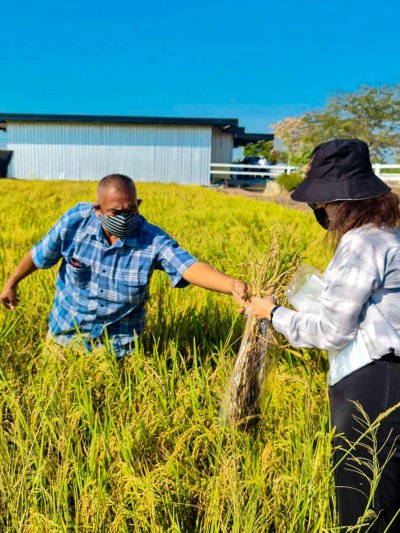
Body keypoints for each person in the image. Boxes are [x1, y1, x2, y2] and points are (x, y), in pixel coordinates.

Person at [235, 139, 400, 531]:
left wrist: (272, 313)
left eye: (321, 202)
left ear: (339, 201)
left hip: (374, 386)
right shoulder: (391, 237)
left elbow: (331, 332)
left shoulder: (360, 244)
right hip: (392, 379)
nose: (319, 210)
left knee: (363, 505)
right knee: (389, 500)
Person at [1, 174, 247, 356]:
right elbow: (39, 255)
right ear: (98, 210)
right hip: (65, 337)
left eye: (130, 210)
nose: (124, 217)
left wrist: (230, 284)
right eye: (115, 212)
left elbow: (187, 266)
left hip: (116, 349)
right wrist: (11, 283)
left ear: (138, 204)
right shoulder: (75, 223)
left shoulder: (152, 239)